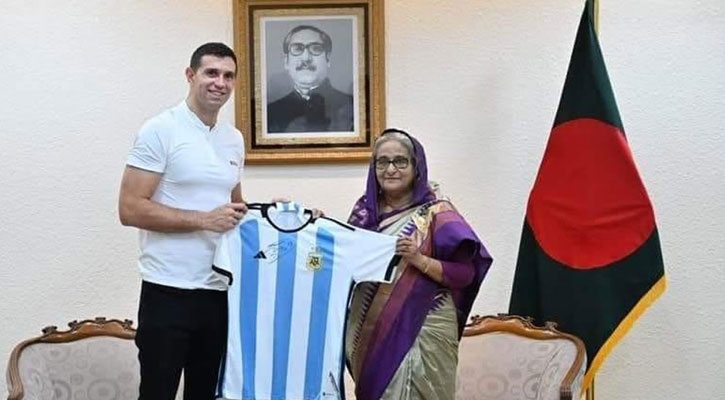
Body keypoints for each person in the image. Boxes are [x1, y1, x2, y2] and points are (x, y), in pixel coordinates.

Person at [118, 42, 246, 400]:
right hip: (167, 291)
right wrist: (204, 219)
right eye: (211, 73)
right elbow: (130, 209)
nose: (220, 83)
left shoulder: (233, 139)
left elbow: (234, 209)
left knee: (206, 394)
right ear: (190, 75)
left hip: (218, 291)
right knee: (157, 393)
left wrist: (280, 212)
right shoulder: (160, 129)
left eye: (228, 76)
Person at [345, 129, 493, 400]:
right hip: (373, 329)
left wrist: (419, 259)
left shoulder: (437, 211)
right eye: (382, 162)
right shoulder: (364, 213)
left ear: (416, 167)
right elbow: (345, 261)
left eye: (400, 161)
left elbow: (465, 274)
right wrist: (315, 223)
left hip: (426, 323)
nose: (391, 169)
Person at [267, 25, 354, 133]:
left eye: (315, 48)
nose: (306, 58)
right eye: (297, 49)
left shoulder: (351, 107)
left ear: (328, 59)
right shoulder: (270, 112)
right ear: (286, 62)